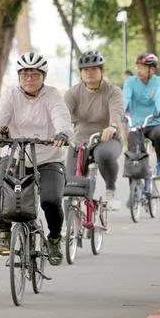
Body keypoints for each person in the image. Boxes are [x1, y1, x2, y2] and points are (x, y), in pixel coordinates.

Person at [0, 51, 73, 266]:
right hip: (14, 154)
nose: (29, 79)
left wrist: (62, 133)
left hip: (47, 158)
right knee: (1, 190)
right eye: (25, 74)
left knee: (51, 200)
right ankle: (4, 234)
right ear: (19, 76)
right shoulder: (10, 94)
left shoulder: (52, 95)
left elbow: (61, 116)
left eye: (35, 74)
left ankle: (54, 238)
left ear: (43, 77)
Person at [64, 50, 125, 207]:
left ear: (102, 71)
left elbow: (117, 111)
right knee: (70, 185)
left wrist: (112, 126)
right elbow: (63, 114)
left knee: (103, 155)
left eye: (93, 69)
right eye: (85, 69)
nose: (89, 72)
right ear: (81, 72)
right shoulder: (73, 93)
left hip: (106, 139)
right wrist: (60, 131)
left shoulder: (113, 91)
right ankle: (71, 217)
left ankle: (111, 190)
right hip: (80, 141)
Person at [123, 52, 160, 178]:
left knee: (159, 135)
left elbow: (159, 97)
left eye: (142, 67)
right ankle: (133, 182)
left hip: (155, 121)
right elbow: (125, 98)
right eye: (138, 67)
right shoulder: (130, 81)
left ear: (152, 69)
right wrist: (120, 111)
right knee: (132, 149)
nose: (139, 70)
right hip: (136, 123)